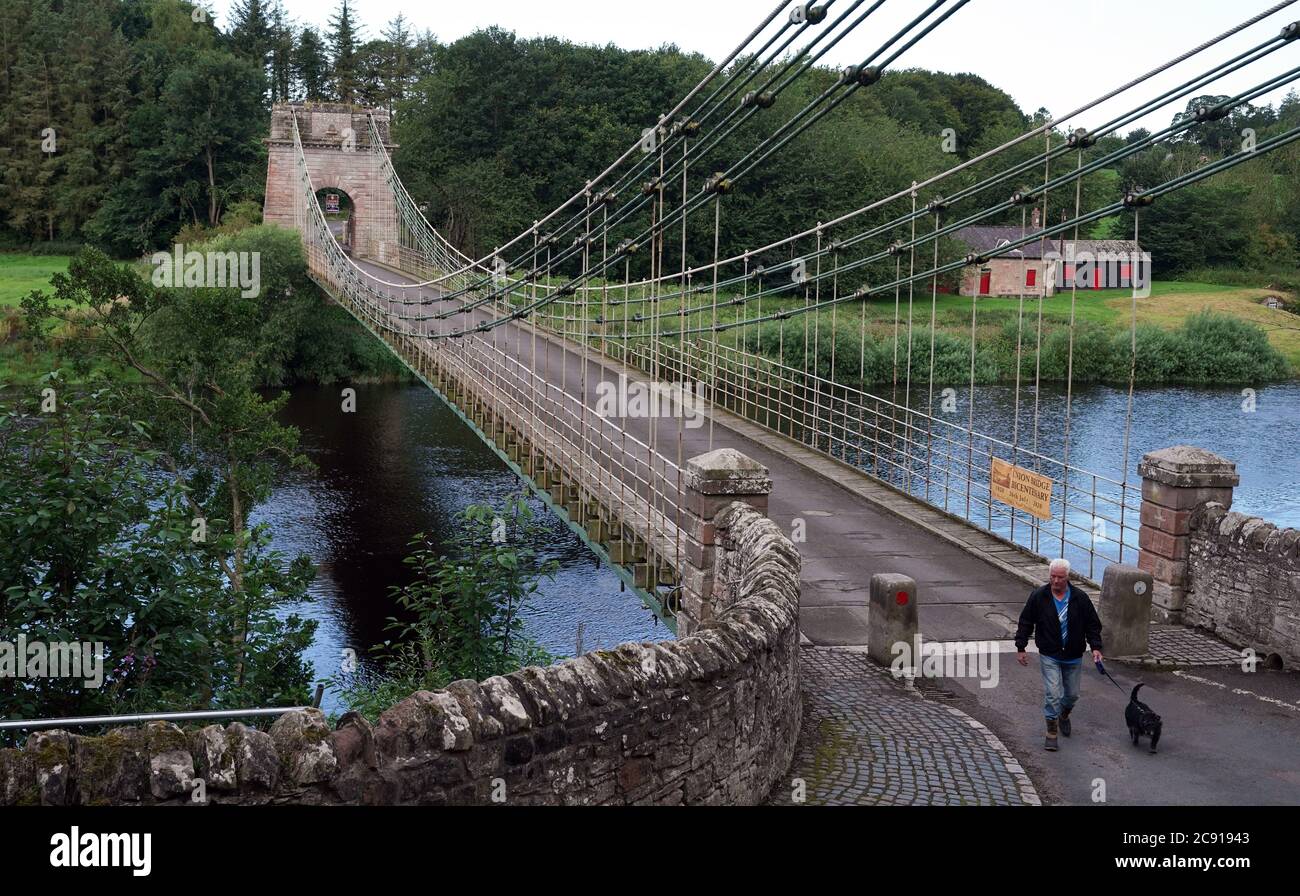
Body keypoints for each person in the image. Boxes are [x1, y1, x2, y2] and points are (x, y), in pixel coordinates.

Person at [1015, 559, 1103, 751]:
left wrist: (1096, 647)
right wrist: (1021, 647)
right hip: (1050, 654)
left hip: (1073, 655)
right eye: (1052, 576)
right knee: (1053, 694)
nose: (1055, 581)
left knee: (1072, 695)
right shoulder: (1039, 596)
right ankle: (1051, 732)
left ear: (1067, 577)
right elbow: (1026, 621)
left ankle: (1064, 714)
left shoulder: (1080, 598)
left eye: (1060, 577)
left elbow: (1092, 624)